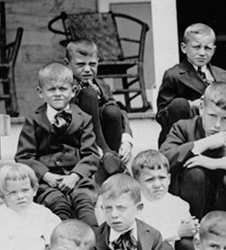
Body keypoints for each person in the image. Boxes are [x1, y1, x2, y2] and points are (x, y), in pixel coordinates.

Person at [160, 82, 226, 227]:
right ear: (202, 108)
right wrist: (204, 144)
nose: (217, 125)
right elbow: (162, 160)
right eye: (212, 116)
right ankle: (194, 232)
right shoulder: (183, 128)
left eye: (225, 119)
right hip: (194, 204)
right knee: (195, 173)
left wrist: (215, 163)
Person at [15, 62, 99, 226]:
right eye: (51, 89)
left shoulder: (84, 118)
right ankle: (63, 241)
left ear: (73, 91)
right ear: (41, 93)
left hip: (78, 179)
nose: (58, 94)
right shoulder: (33, 120)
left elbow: (92, 154)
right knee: (57, 204)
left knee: (84, 204)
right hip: (47, 182)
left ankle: (94, 241)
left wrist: (75, 176)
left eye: (63, 89)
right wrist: (46, 175)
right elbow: (24, 156)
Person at [65, 38, 132, 181]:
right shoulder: (63, 87)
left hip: (106, 138)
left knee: (113, 110)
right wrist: (84, 93)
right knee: (89, 95)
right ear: (67, 64)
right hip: (79, 138)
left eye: (93, 64)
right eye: (80, 64)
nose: (88, 69)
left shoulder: (102, 85)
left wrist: (127, 139)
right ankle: (108, 155)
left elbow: (121, 113)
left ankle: (111, 160)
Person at [157, 23, 226, 146]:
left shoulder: (222, 75)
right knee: (178, 104)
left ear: (214, 50)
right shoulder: (174, 74)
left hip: (215, 129)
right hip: (187, 133)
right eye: (196, 47)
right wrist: (190, 105)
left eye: (207, 48)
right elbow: (161, 115)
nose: (202, 53)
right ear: (184, 48)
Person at [130, 150, 198, 250]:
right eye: (150, 180)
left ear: (169, 179)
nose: (157, 185)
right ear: (137, 182)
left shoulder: (179, 204)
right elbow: (143, 241)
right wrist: (178, 232)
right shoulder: (135, 207)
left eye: (162, 178)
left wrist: (193, 228)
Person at [0, 163, 61, 250]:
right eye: (13, 192)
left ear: (34, 190)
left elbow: (54, 237)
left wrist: (49, 244)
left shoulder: (43, 214)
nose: (20, 196)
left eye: (25, 190)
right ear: (2, 196)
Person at [94, 174, 172, 250]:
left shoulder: (153, 236)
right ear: (102, 208)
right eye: (108, 208)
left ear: (138, 208)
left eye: (121, 208)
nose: (114, 215)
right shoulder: (93, 238)